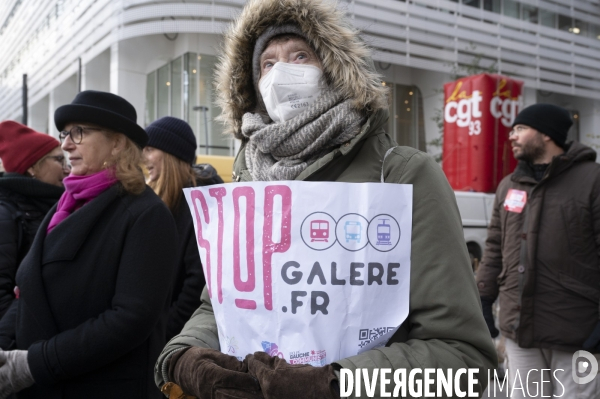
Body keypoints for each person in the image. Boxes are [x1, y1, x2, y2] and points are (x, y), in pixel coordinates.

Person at [155, 0, 497, 397]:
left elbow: (465, 358)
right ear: (254, 85)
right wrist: (183, 354)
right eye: (267, 63)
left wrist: (335, 382)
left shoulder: (403, 174)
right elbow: (220, 308)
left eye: (300, 55)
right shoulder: (247, 182)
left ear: (334, 68)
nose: (282, 72)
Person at [0, 90, 178, 399]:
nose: (66, 143)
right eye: (65, 133)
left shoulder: (145, 214)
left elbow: (129, 320)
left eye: (79, 132)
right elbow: (30, 290)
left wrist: (34, 363)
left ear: (118, 142)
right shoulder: (66, 203)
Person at [476, 103, 600, 398]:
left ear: (546, 134)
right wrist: (482, 297)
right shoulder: (509, 186)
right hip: (520, 329)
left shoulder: (592, 180)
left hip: (578, 332)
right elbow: (494, 247)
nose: (512, 136)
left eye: (520, 128)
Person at [143, 116, 223, 341]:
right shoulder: (165, 200)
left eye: (149, 149)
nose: (143, 158)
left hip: (181, 337)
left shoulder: (201, 203)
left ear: (171, 154)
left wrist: (162, 335)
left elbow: (196, 286)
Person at [0, 121, 68, 318]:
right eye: (58, 160)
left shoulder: (53, 206)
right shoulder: (6, 213)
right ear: (32, 167)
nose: (66, 169)